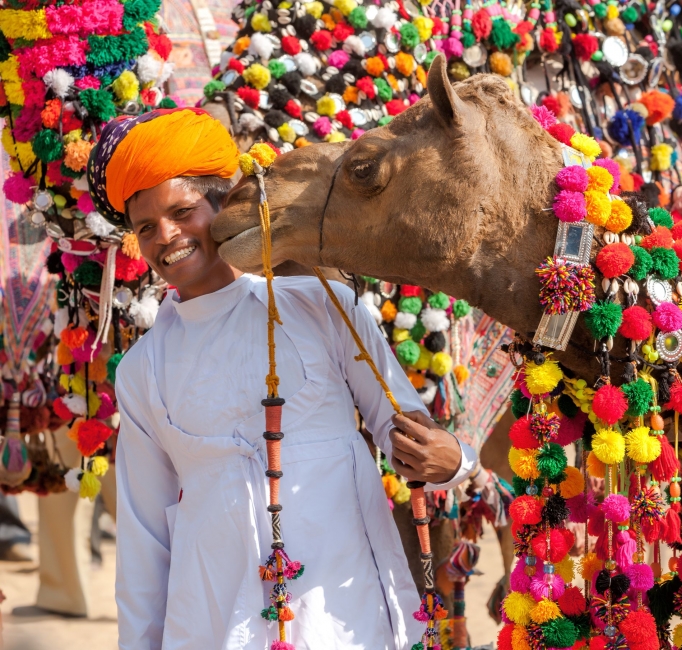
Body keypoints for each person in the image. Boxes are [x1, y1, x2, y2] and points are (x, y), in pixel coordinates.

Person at [87, 108, 477, 650]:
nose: (166, 237)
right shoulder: (142, 371)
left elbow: (404, 427)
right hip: (212, 623)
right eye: (146, 228)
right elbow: (144, 538)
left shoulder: (325, 306)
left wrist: (453, 460)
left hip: (347, 613)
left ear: (223, 206)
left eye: (182, 212)